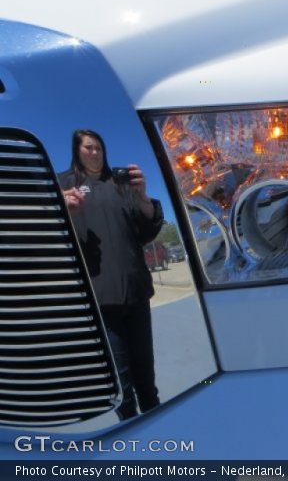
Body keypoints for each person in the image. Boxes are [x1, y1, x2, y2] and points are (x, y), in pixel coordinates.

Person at [59, 129, 164, 420]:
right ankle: (129, 436)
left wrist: (143, 197)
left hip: (136, 292)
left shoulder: (121, 185)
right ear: (77, 151)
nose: (96, 153)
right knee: (121, 383)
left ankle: (158, 433)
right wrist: (62, 208)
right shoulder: (64, 184)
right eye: (89, 148)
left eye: (99, 148)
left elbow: (146, 232)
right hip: (100, 297)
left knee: (146, 377)